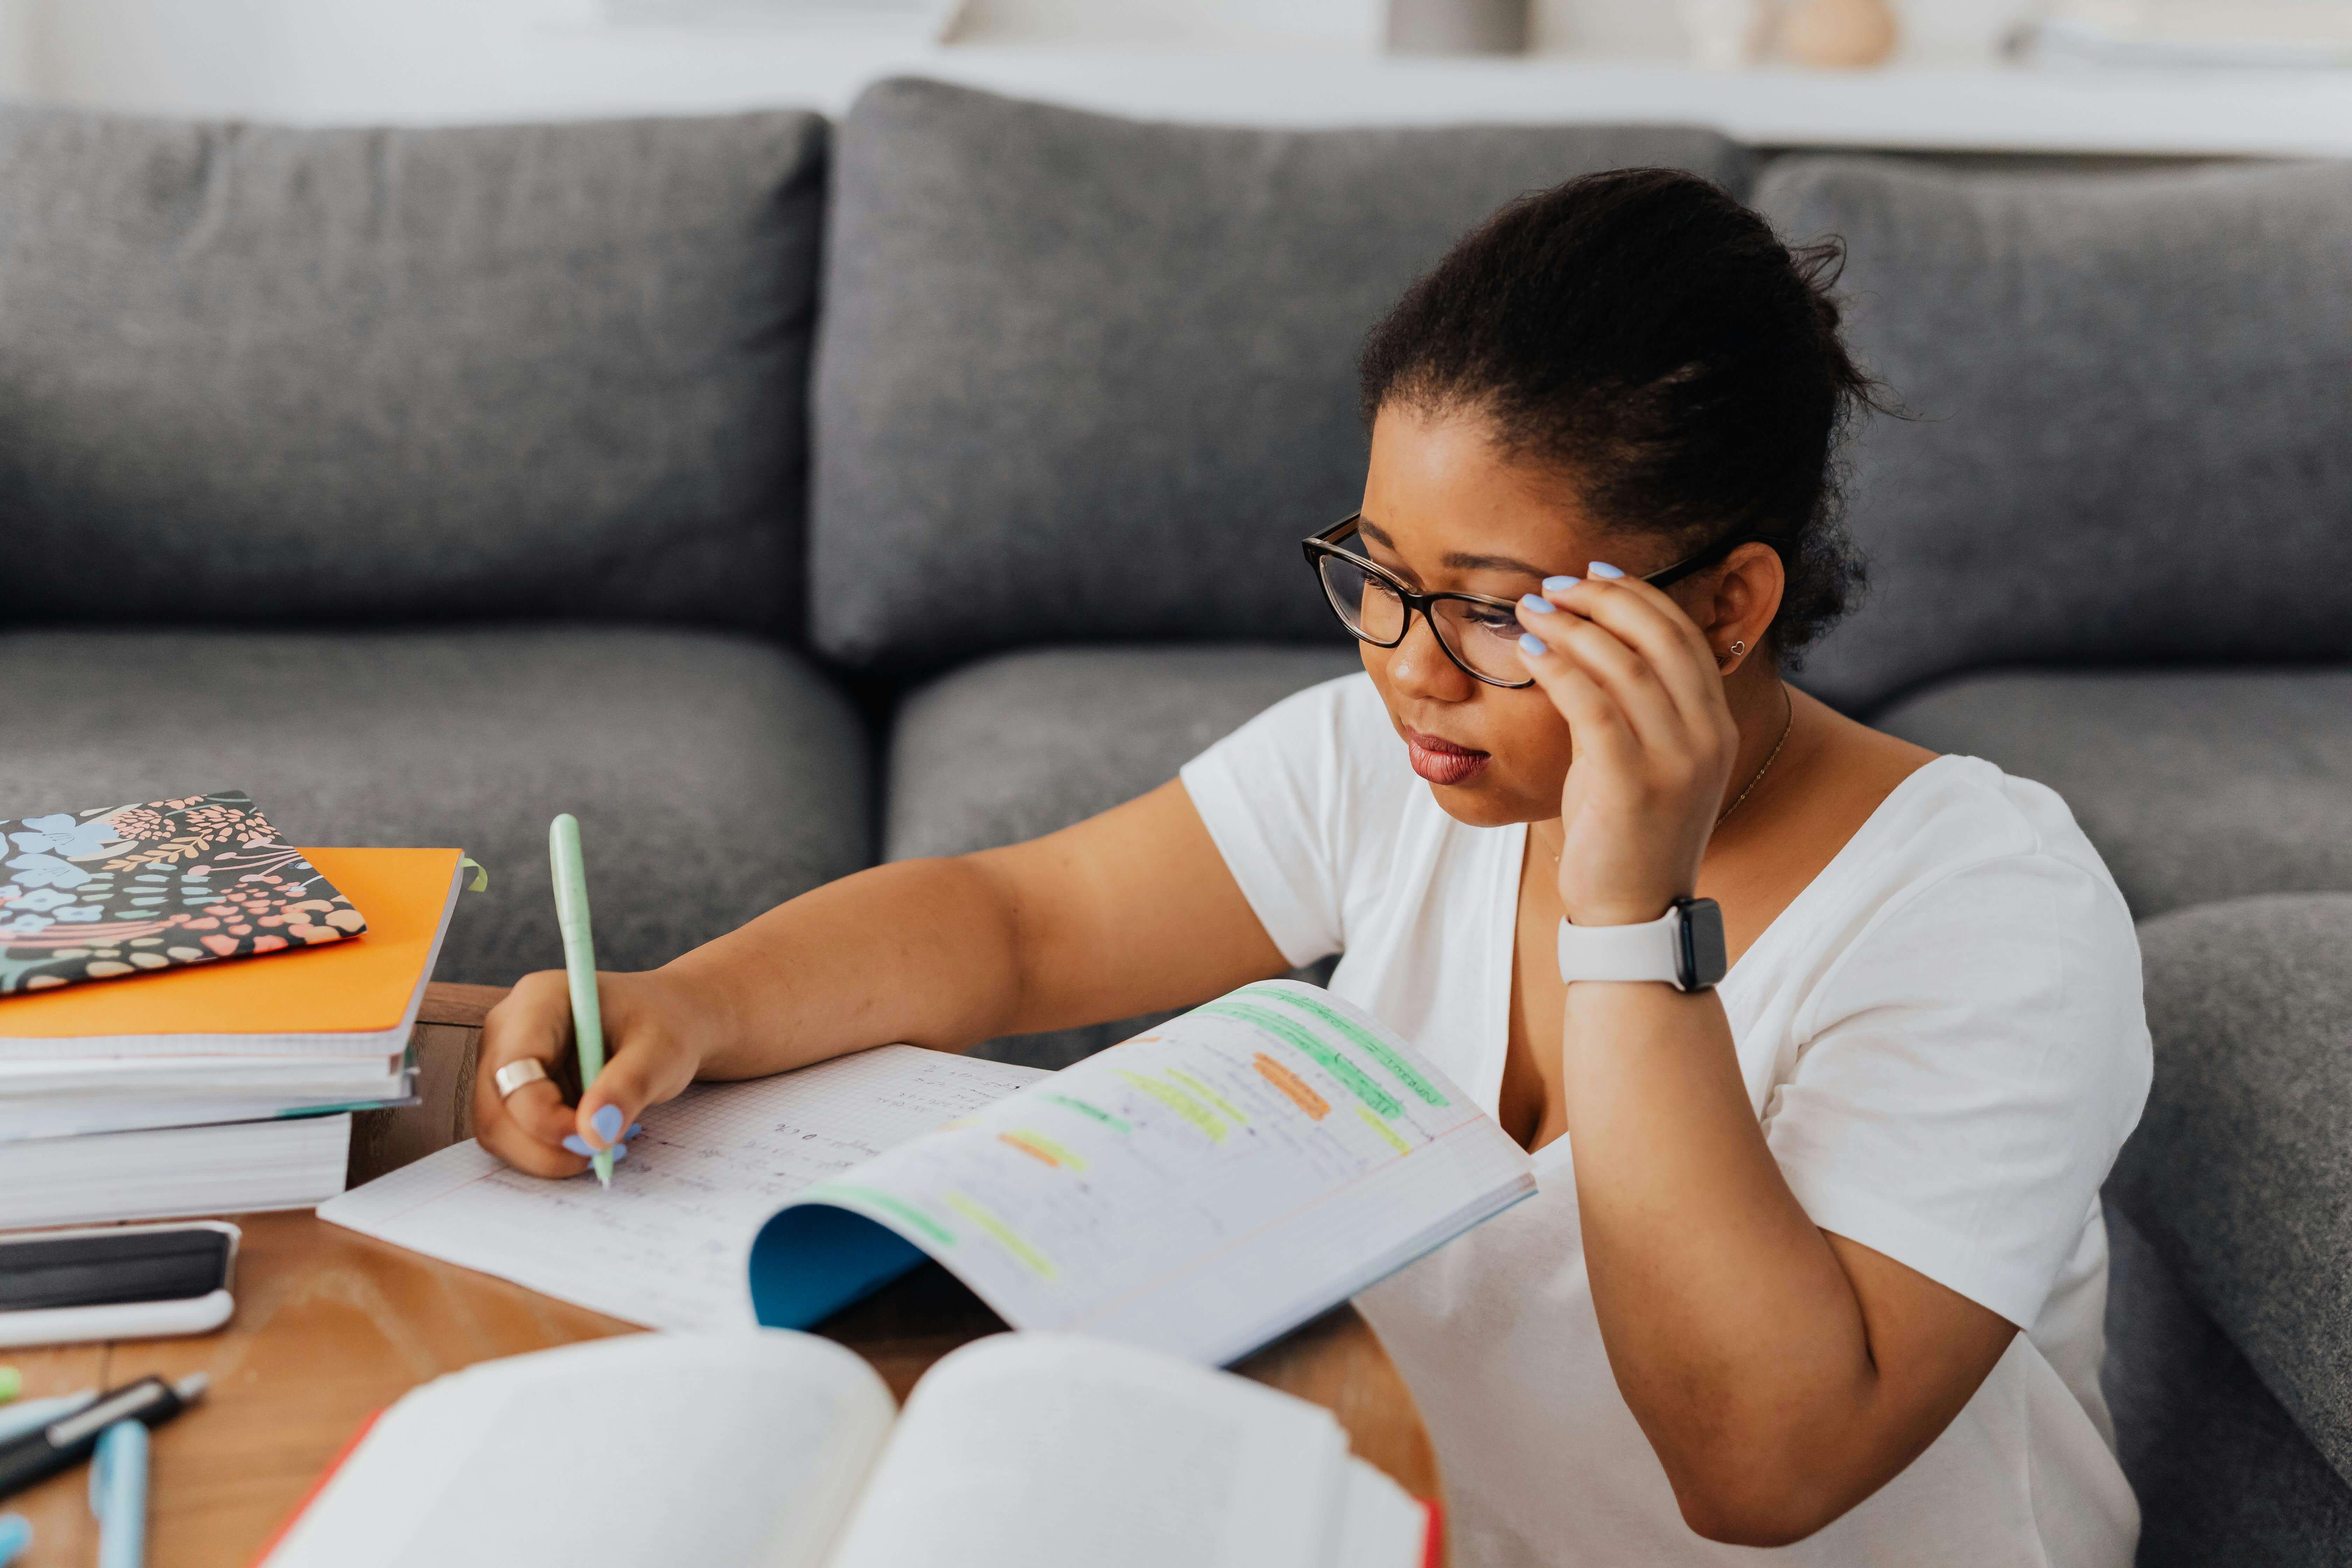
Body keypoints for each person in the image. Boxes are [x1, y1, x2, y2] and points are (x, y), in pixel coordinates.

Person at [471, 169, 2150, 1566]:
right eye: (1380, 573)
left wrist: (1628, 912)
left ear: (1725, 608)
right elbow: (1017, 921)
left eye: (1495, 608)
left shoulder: (1992, 910)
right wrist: (684, 1001)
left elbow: (1766, 1468)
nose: (1409, 666)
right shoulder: (1406, 766)